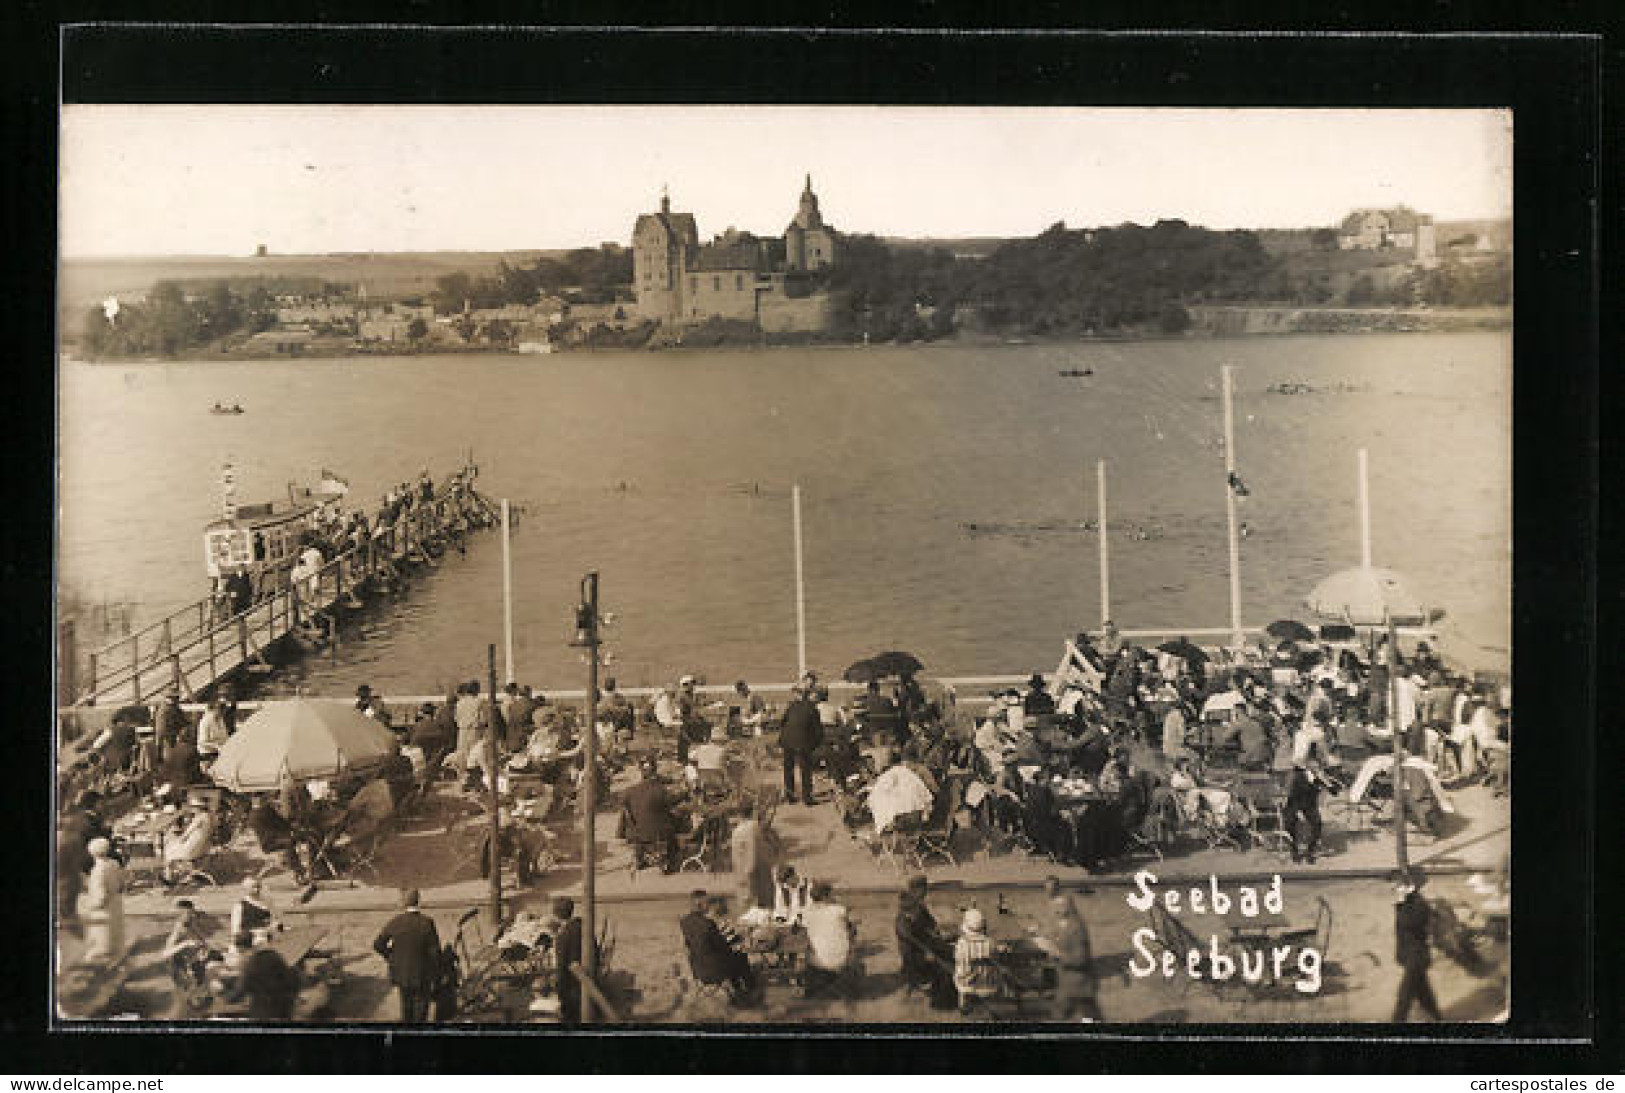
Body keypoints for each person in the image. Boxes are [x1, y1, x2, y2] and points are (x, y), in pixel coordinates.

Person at [1034, 876, 1102, 1021]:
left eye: (1051, 888)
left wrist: (1057, 952)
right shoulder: (1065, 916)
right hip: (1073, 980)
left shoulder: (1075, 927)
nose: (1049, 892)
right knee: (1086, 1013)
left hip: (1077, 982)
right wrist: (1043, 931)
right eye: (1046, 888)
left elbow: (1080, 958)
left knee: (1066, 1012)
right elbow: (1053, 926)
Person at [373, 888, 442, 1023]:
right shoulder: (427, 923)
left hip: (401, 974)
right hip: (422, 975)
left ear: (404, 903)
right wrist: (436, 975)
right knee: (420, 1013)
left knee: (406, 1009)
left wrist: (391, 956)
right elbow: (435, 953)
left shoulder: (396, 922)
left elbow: (378, 945)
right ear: (419, 901)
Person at [678, 889, 756, 1002]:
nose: (708, 906)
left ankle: (737, 991)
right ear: (700, 904)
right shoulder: (707, 924)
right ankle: (749, 991)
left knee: (734, 957)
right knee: (741, 957)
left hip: (698, 969)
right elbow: (723, 947)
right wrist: (737, 944)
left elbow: (688, 946)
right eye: (706, 903)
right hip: (716, 970)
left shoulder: (684, 922)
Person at [895, 874, 954, 1006]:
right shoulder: (906, 910)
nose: (926, 893)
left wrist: (937, 931)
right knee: (944, 964)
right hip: (914, 952)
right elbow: (909, 937)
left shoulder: (919, 905)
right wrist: (928, 950)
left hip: (925, 943)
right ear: (916, 889)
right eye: (924, 889)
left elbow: (930, 921)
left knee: (951, 949)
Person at [1392, 869, 1442, 1021]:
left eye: (1400, 886)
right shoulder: (1409, 903)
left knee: (1404, 995)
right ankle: (1436, 1016)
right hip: (1411, 955)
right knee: (1422, 991)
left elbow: (1408, 923)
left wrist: (1400, 905)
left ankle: (1397, 1023)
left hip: (1417, 956)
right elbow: (1401, 932)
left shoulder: (1419, 904)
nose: (1396, 889)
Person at [621, 760, 680, 873]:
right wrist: (684, 793)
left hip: (637, 832)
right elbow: (673, 800)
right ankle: (671, 860)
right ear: (655, 774)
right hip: (659, 832)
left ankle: (640, 857)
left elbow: (625, 808)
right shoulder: (660, 790)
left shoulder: (630, 791)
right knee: (674, 824)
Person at [801, 882, 856, 996]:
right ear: (827, 896)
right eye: (831, 894)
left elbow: (805, 931)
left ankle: (815, 986)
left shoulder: (806, 912)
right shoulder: (839, 910)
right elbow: (852, 926)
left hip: (817, 961)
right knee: (849, 937)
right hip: (840, 959)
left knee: (811, 946)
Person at [223, 945, 302, 1020]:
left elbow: (234, 997)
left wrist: (223, 993)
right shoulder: (290, 972)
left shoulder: (250, 970)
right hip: (285, 1012)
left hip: (263, 1015)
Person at [79, 837, 126, 963]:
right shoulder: (114, 863)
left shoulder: (97, 870)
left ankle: (101, 959)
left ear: (91, 852)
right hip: (116, 900)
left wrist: (92, 905)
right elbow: (121, 882)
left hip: (104, 905)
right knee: (116, 930)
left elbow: (99, 893)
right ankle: (116, 955)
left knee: (102, 932)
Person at [778, 687, 823, 805]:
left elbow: (782, 722)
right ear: (810, 697)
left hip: (787, 739)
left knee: (788, 768)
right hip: (802, 742)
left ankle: (790, 795)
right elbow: (818, 730)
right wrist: (816, 744)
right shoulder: (813, 709)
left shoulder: (792, 706)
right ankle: (807, 797)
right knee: (805, 769)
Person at [730, 803, 777, 912]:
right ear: (752, 812)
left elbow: (742, 853)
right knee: (763, 901)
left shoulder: (739, 831)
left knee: (750, 902)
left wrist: (744, 871)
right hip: (758, 868)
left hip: (746, 869)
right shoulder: (756, 827)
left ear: (739, 814)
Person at [952, 908, 1001, 1012]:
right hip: (988, 983)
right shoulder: (990, 942)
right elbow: (996, 958)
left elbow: (957, 959)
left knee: (959, 969)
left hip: (966, 983)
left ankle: (963, 1004)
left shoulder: (962, 943)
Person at [551, 896, 586, 1024]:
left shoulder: (563, 935)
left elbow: (561, 966)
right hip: (585, 978)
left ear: (557, 915)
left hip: (571, 985)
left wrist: (558, 988)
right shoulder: (582, 927)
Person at [231, 876, 282, 941]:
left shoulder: (268, 902)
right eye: (253, 887)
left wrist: (274, 927)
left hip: (269, 939)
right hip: (251, 941)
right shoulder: (239, 906)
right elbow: (236, 930)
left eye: (258, 886)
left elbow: (276, 919)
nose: (256, 890)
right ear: (246, 889)